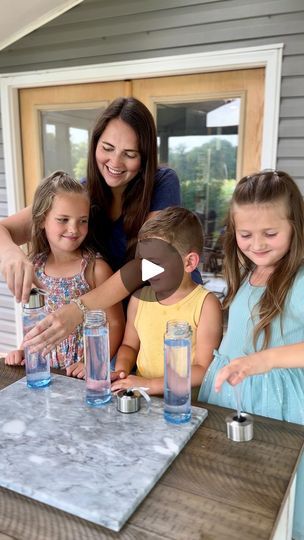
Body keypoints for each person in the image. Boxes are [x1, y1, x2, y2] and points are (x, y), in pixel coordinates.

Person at [198, 170, 304, 540]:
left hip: (277, 407)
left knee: (271, 499)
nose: (256, 244)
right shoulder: (252, 272)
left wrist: (261, 360)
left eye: (270, 234)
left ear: (295, 226)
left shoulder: (301, 279)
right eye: (245, 234)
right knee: (233, 492)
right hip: (234, 395)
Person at [0, 97, 181, 305]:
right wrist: (10, 253)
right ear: (95, 144)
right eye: (107, 148)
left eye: (129, 154)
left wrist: (79, 310)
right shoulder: (81, 194)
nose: (115, 162)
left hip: (166, 309)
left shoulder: (164, 183)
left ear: (144, 158)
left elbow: (150, 263)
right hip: (118, 321)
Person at [5, 171, 124, 378]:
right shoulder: (35, 267)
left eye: (82, 220)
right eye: (63, 219)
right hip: (45, 375)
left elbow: (115, 323)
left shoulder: (95, 269)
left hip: (82, 377)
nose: (74, 229)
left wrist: (94, 362)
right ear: (42, 220)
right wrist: (23, 350)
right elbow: (36, 323)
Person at [111, 207, 222, 394]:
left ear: (189, 263)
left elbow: (204, 370)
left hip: (186, 407)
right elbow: (129, 345)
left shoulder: (205, 305)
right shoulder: (139, 299)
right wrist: (121, 372)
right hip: (144, 401)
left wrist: (149, 385)